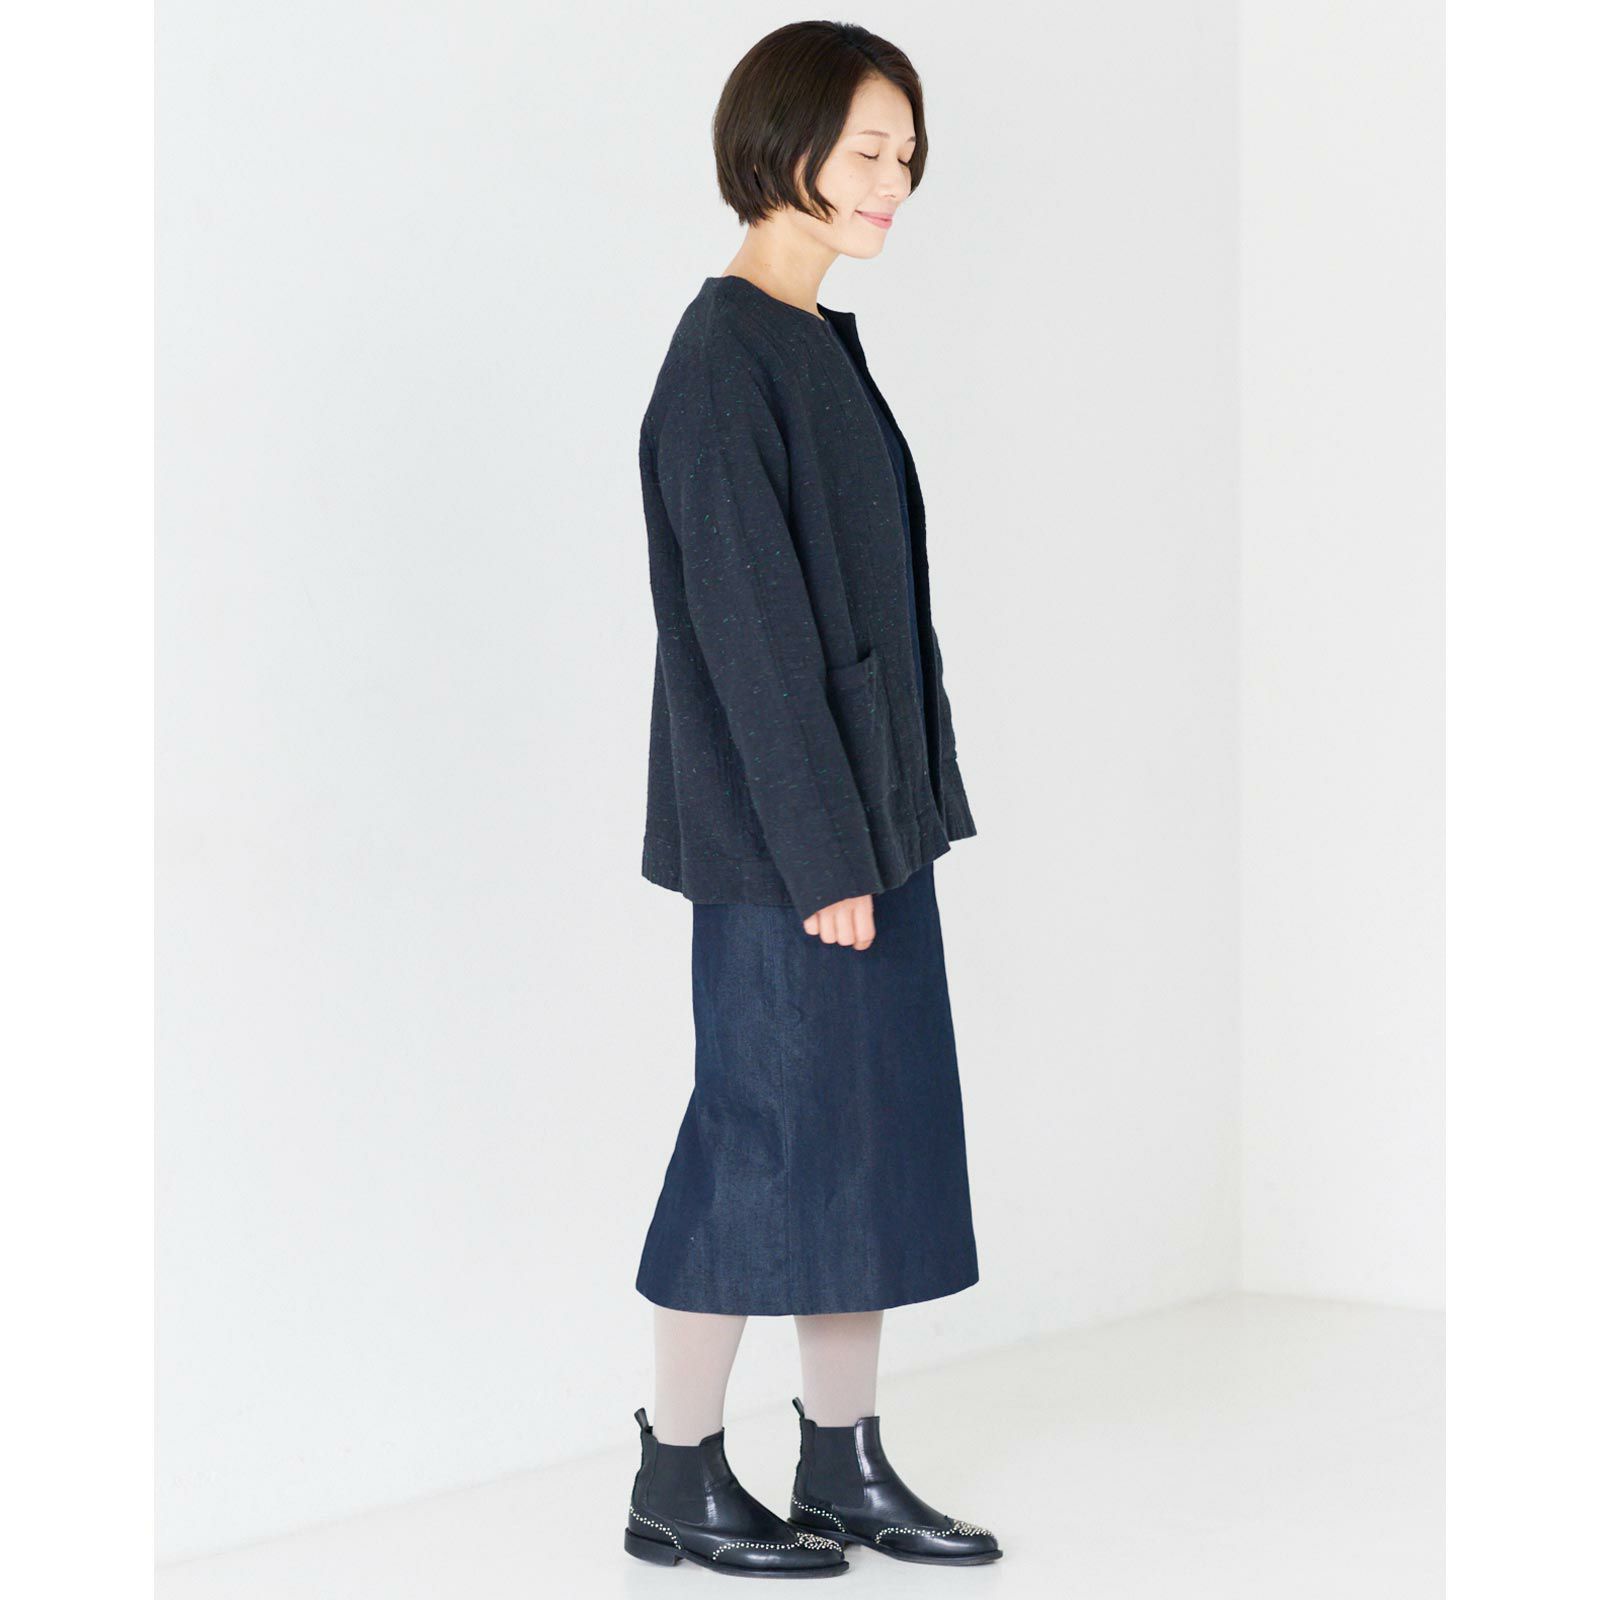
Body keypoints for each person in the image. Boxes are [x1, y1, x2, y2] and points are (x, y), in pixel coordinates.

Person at [625, 21, 1000, 1577]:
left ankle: (842, 1462)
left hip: (863, 827)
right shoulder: (725, 358)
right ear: (779, 146)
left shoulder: (813, 337)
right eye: (866, 151)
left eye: (906, 155)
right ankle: (676, 1472)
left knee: (863, 1140)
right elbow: (750, 637)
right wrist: (825, 854)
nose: (893, 181)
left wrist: (888, 823)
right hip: (793, 847)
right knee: (759, 1143)